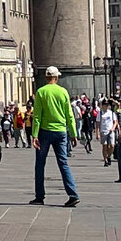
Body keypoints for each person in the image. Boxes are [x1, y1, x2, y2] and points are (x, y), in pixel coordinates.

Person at [28, 66, 80, 208]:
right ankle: (73, 194)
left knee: (40, 164)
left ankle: (39, 196)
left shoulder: (41, 92)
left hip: (44, 132)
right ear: (56, 78)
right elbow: (69, 114)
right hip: (61, 132)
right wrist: (74, 134)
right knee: (63, 163)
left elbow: (37, 116)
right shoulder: (63, 92)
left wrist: (34, 135)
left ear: (46, 78)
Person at [98, 100, 116, 166]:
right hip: (103, 131)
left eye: (107, 105)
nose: (106, 106)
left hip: (110, 131)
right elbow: (97, 124)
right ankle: (105, 160)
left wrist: (113, 128)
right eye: (104, 105)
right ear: (102, 106)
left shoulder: (111, 113)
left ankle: (109, 156)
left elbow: (115, 122)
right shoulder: (100, 113)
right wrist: (97, 134)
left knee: (112, 146)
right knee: (104, 146)